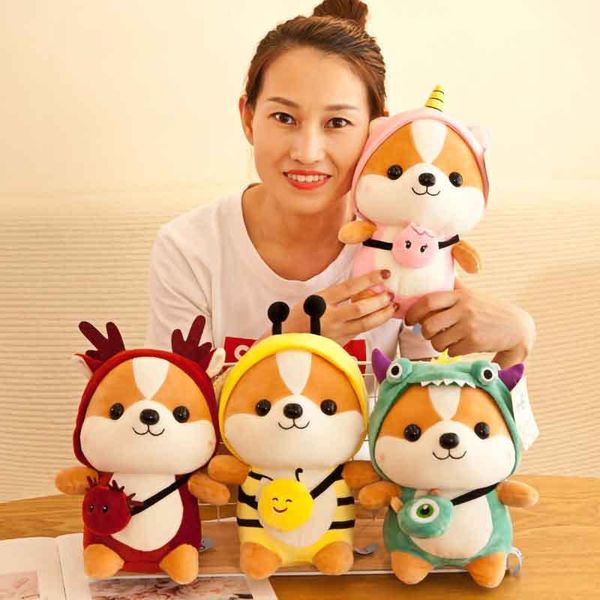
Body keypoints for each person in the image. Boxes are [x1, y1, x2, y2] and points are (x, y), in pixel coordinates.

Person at [145, 0, 535, 370]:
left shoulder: (408, 246)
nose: (307, 152)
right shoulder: (189, 249)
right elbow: (169, 406)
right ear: (248, 119)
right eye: (284, 118)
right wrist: (286, 342)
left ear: (378, 130)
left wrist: (516, 345)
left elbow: (435, 406)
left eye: (337, 123)